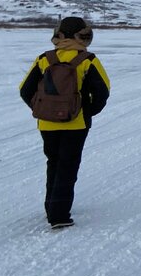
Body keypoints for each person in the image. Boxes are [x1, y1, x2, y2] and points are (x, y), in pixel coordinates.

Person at [19, 17, 111, 228]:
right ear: (83, 35)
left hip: (47, 123)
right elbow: (102, 92)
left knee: (53, 162)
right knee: (68, 165)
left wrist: (42, 109)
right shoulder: (88, 60)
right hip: (76, 123)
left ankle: (51, 205)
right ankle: (59, 215)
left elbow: (25, 90)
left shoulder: (44, 59)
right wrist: (86, 111)